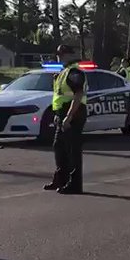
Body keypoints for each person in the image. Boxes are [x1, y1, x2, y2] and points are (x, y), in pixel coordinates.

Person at [44, 44, 87, 195]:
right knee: (59, 147)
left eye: (63, 54)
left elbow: (78, 95)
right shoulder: (63, 72)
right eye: (58, 54)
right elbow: (59, 96)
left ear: (71, 54)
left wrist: (69, 116)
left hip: (74, 112)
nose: (60, 57)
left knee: (72, 150)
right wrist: (58, 115)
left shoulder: (74, 72)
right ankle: (60, 179)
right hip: (63, 113)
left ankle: (75, 184)